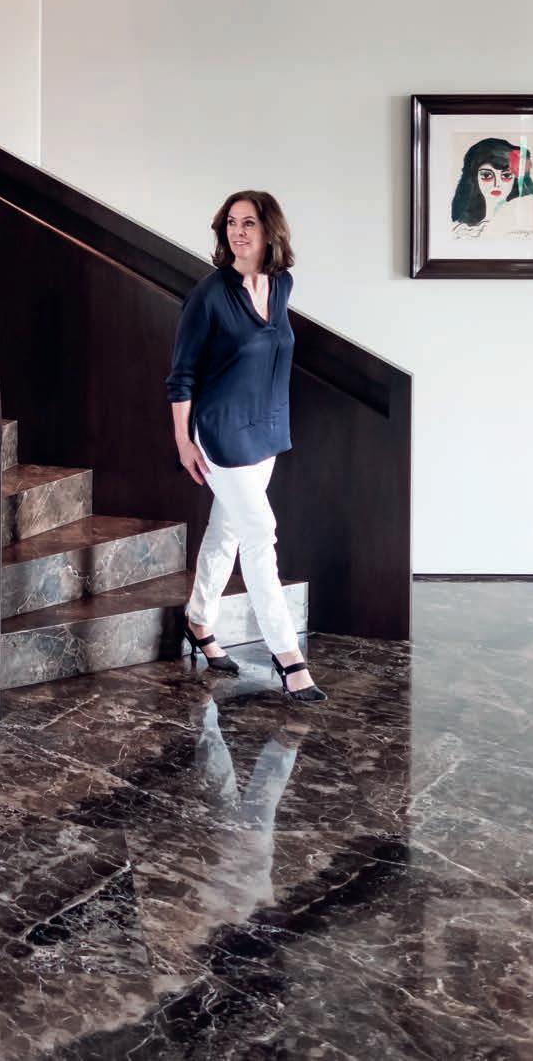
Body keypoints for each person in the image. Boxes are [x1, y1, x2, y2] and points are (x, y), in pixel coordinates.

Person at [164, 191, 326, 703]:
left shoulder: (281, 285)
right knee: (260, 535)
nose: (238, 232)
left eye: (248, 223)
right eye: (231, 223)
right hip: (221, 433)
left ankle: (198, 619)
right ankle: (288, 656)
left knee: (228, 529)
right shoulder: (209, 295)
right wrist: (183, 440)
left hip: (267, 431)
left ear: (269, 230)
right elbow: (181, 375)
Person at [450, 136, 533, 239]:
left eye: (506, 175)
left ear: (515, 179)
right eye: (487, 175)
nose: (497, 184)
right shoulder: (464, 232)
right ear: (474, 178)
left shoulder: (527, 226)